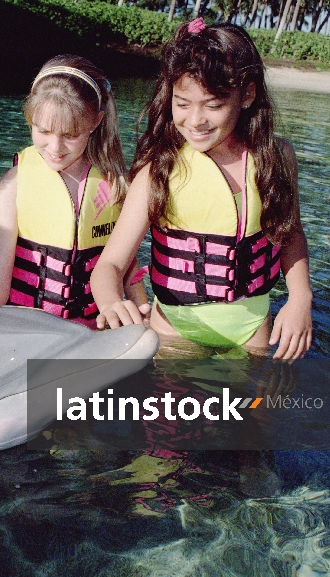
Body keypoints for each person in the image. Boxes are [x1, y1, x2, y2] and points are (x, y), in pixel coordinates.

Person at [90, 19, 312, 360]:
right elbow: (110, 266)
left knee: (254, 412)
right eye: (182, 104)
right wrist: (111, 302)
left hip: (252, 328)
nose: (195, 120)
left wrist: (300, 299)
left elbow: (290, 232)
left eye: (212, 105)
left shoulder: (278, 158)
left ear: (248, 94)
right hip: (174, 329)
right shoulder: (157, 173)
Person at [0, 54, 146, 328]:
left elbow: (127, 267)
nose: (55, 147)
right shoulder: (13, 185)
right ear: (30, 120)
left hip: (89, 332)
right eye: (44, 131)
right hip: (25, 329)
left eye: (71, 134)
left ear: (96, 122)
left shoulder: (116, 185)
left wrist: (140, 313)